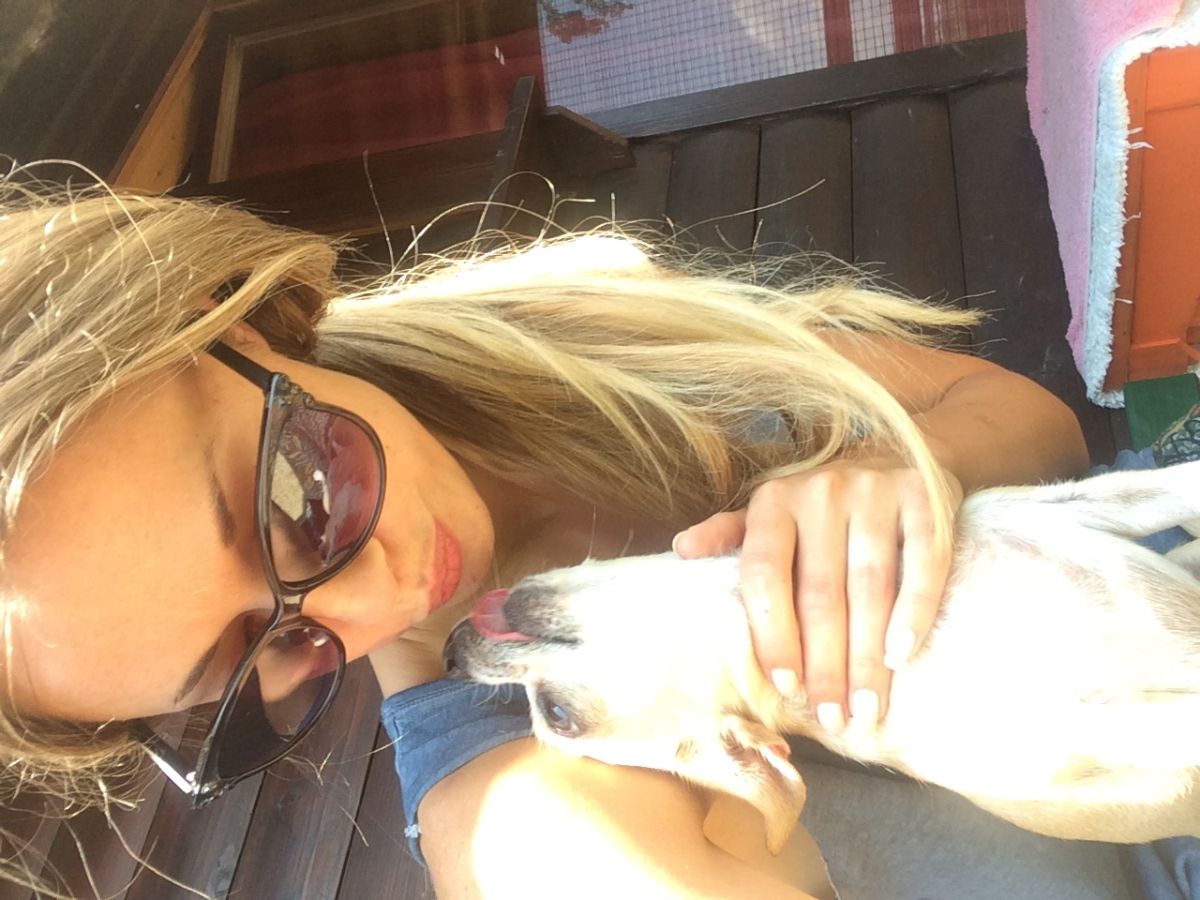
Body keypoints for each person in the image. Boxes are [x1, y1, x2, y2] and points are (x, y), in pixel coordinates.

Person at [0, 177, 1119, 899]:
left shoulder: (592, 321)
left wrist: (900, 469)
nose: (377, 600)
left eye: (296, 498)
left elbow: (1031, 418)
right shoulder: (509, 798)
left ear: (237, 321)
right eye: (259, 658)